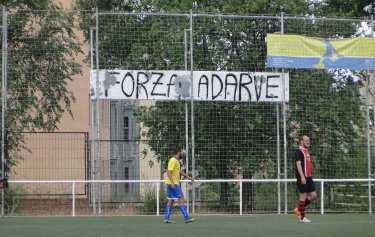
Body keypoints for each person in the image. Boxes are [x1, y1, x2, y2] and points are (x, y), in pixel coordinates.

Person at [164, 148, 196, 224]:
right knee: (181, 199)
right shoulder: (173, 160)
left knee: (171, 200)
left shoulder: (177, 161)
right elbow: (169, 171)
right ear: (178, 152)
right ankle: (187, 218)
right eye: (181, 152)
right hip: (174, 184)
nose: (182, 153)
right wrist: (172, 182)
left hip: (172, 183)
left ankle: (166, 219)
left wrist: (188, 177)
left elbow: (179, 171)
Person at [294, 135, 318, 223]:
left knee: (314, 195)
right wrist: (302, 176)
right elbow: (298, 164)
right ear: (301, 141)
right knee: (303, 196)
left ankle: (299, 209)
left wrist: (308, 176)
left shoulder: (306, 151)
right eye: (306, 140)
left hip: (309, 177)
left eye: (309, 140)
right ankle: (302, 218)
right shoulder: (299, 151)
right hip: (302, 177)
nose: (308, 141)